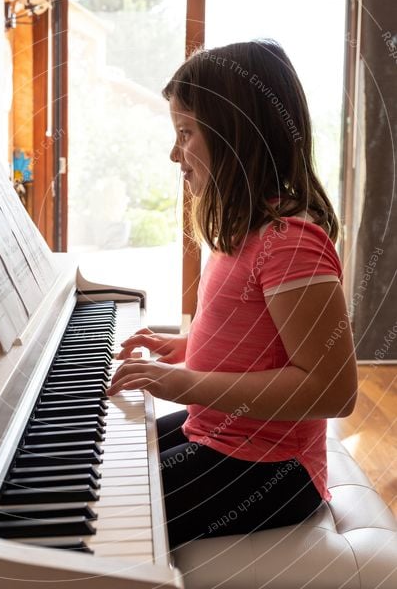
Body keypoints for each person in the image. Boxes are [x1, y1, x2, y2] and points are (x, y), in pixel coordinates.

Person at [107, 39, 358, 550]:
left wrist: (186, 382)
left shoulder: (290, 243)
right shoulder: (245, 232)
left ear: (233, 135)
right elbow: (256, 338)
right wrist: (187, 347)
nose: (174, 153)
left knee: (107, 519)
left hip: (272, 470)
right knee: (107, 463)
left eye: (186, 133)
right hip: (220, 438)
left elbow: (334, 391)